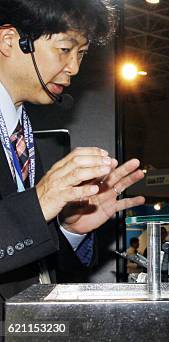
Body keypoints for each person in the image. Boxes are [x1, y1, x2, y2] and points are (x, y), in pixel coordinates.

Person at [0, 0, 145, 312]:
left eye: (81, 54)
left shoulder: (24, 133)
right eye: (65, 49)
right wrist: (38, 204)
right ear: (10, 41)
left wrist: (70, 230)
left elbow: (31, 271)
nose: (74, 68)